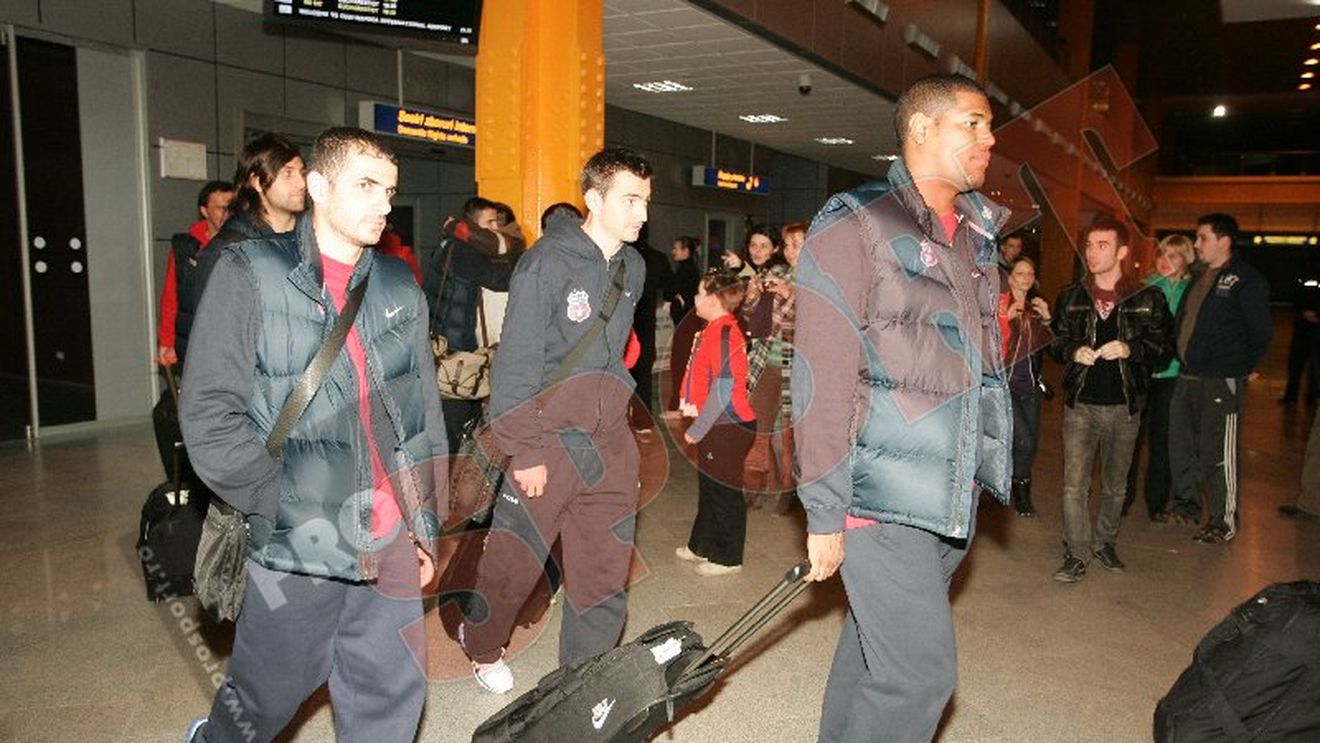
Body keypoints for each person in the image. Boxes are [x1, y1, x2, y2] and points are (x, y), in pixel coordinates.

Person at [179, 127, 443, 743]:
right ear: (318, 186)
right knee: (265, 698)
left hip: (388, 528)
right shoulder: (249, 272)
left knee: (391, 694)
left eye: (390, 190)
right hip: (298, 533)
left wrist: (422, 521)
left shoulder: (400, 284)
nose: (384, 204)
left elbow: (421, 411)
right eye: (367, 186)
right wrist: (279, 500)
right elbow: (209, 414)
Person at [792, 74, 1011, 743]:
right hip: (875, 494)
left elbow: (983, 364)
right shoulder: (856, 219)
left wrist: (983, 464)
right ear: (921, 128)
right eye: (971, 123)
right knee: (919, 675)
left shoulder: (977, 234)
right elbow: (820, 373)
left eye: (989, 126)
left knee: (872, 653)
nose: (989, 139)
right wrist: (825, 508)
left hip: (948, 488)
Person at [458, 148, 649, 694]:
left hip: (609, 440)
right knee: (515, 562)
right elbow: (516, 362)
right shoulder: (546, 262)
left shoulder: (632, 266)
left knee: (605, 566)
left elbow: (615, 352)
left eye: (645, 201)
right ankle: (483, 643)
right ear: (594, 199)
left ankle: (583, 674)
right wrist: (528, 449)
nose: (641, 213)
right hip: (547, 439)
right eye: (629, 200)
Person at [1048, 216, 1172, 582]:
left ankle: (1104, 542)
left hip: (1125, 407)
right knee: (1074, 484)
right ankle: (1077, 551)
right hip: (1081, 407)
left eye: (1101, 246)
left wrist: (1130, 348)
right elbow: (1054, 341)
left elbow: (1164, 348)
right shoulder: (1071, 297)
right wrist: (1073, 351)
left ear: (1121, 252)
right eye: (1088, 245)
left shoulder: (1148, 298)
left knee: (1116, 485)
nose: (1091, 253)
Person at [1169, 213, 1272, 543]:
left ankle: (1222, 520)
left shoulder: (1245, 279)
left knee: (1218, 451)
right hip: (1188, 376)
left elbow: (1261, 332)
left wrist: (1241, 366)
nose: (1196, 244)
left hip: (1221, 380)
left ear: (1223, 240)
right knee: (1181, 446)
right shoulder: (1200, 277)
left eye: (1202, 238)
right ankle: (1187, 507)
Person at [422, 196, 524, 452]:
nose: (494, 229)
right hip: (454, 349)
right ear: (474, 224)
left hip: (445, 341)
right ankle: (449, 481)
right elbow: (499, 279)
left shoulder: (451, 245)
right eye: (489, 223)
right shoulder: (463, 251)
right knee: (456, 422)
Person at [675, 268, 756, 575]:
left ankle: (728, 557)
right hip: (718, 424)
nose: (695, 297)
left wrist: (698, 429)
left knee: (724, 491)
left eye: (699, 292)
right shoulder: (713, 328)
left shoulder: (724, 333)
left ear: (714, 299)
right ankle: (702, 545)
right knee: (709, 486)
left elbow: (723, 389)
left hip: (728, 424)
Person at [1132, 234, 1195, 522]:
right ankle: (1121, 498)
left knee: (1163, 441)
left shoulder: (1191, 290)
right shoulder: (1143, 288)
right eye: (1161, 255)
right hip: (1141, 371)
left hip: (1173, 374)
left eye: (1173, 256)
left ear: (1186, 259)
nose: (1165, 262)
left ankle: (1157, 502)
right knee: (1130, 438)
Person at [734, 225, 793, 502]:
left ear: (775, 250)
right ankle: (755, 484)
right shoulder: (761, 275)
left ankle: (786, 489)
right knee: (759, 425)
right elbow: (750, 318)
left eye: (763, 246)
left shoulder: (784, 275)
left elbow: (782, 319)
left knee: (786, 433)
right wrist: (753, 294)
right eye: (753, 245)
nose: (756, 251)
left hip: (792, 360)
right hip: (766, 358)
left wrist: (787, 294)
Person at [156, 180, 234, 368]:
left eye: (232, 208)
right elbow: (171, 296)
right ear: (204, 211)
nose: (228, 214)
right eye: (221, 208)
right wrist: (166, 341)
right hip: (195, 344)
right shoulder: (185, 248)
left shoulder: (244, 245)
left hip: (232, 345)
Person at [998, 255, 1052, 517]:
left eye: (1030, 274)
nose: (1026, 279)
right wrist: (1004, 320)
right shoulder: (999, 305)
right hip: (1005, 384)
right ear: (1010, 278)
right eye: (1020, 274)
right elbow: (988, 343)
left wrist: (1048, 319)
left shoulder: (1035, 308)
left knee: (1029, 444)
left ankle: (1016, 488)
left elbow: (1050, 348)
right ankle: (1018, 493)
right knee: (1024, 440)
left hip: (1030, 385)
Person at [628, 224, 673, 433]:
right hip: (646, 322)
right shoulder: (657, 258)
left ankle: (614, 420)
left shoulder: (620, 255)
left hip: (621, 322)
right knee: (643, 371)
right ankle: (642, 419)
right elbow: (671, 289)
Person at [664, 235, 701, 413]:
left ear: (686, 251)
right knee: (680, 362)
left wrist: (673, 296)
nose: (673, 251)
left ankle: (678, 403)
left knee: (680, 362)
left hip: (686, 324)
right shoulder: (686, 269)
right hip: (685, 323)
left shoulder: (687, 271)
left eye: (676, 248)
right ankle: (680, 401)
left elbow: (670, 289)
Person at [1279, 255, 1320, 404]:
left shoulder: (1307, 267)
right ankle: (1294, 395)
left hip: (1308, 325)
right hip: (1303, 326)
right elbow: (1297, 293)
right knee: (1297, 363)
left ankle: (1310, 396)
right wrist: (1303, 311)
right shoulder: (1307, 268)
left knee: (1312, 365)